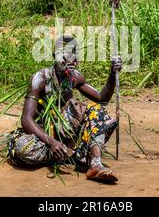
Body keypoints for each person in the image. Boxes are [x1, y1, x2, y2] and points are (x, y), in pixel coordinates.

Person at [8, 35, 122, 183]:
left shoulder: (75, 77)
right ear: (55, 56)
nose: (72, 61)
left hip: (68, 131)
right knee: (22, 147)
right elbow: (26, 120)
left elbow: (102, 99)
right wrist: (52, 143)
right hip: (45, 134)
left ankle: (95, 163)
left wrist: (112, 74)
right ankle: (66, 152)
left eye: (75, 56)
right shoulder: (40, 79)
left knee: (96, 112)